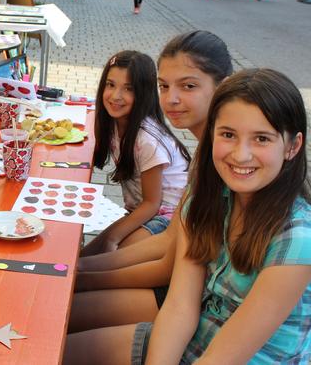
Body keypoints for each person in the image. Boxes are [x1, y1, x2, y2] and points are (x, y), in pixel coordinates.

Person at [70, 31, 233, 334]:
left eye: (188, 86)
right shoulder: (204, 157)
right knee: (64, 297)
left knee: (61, 311)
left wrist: (86, 274)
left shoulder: (225, 163)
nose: (171, 99)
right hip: (183, 292)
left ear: (223, 87)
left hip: (198, 309)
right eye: (164, 86)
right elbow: (171, 242)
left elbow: (172, 264)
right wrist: (81, 267)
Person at [143, 69, 310, 364]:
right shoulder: (208, 200)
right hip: (198, 339)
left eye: (261, 139)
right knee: (70, 342)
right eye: (228, 135)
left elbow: (223, 358)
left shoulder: (298, 239)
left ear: (293, 146)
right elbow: (180, 306)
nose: (241, 155)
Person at [84, 50, 190, 255]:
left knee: (97, 263)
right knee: (81, 257)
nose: (116, 96)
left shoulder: (147, 141)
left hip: (168, 218)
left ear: (144, 93)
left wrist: (113, 237)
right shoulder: (114, 122)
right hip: (143, 212)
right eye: (110, 84)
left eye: (128, 88)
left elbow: (152, 203)